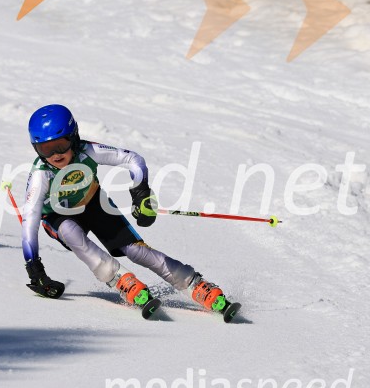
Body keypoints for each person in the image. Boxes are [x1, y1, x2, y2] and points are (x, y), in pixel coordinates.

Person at [20, 104, 239, 319]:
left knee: (136, 251)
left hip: (93, 202)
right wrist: (34, 268)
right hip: (58, 215)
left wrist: (140, 192)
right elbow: (30, 219)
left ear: (74, 137)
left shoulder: (87, 151)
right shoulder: (41, 175)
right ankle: (119, 279)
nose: (55, 154)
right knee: (70, 232)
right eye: (46, 149)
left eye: (60, 145)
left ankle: (194, 284)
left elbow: (133, 159)